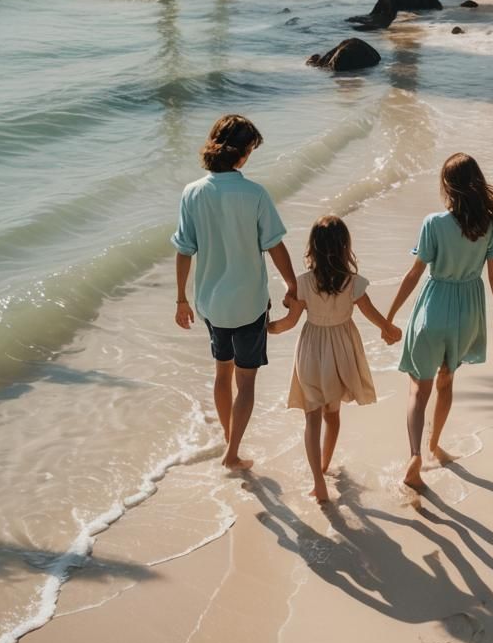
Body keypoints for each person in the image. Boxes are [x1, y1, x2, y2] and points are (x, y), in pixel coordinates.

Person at [172, 114, 297, 471]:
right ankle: (232, 453)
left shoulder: (192, 193)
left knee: (221, 374)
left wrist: (181, 298)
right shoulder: (254, 194)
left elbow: (184, 250)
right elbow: (275, 246)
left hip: (212, 305)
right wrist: (292, 285)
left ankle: (230, 439)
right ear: (242, 154)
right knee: (246, 380)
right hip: (249, 304)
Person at [386, 153, 493, 492]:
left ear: (447, 186)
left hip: (434, 308)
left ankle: (414, 454)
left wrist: (390, 314)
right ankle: (434, 445)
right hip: (467, 314)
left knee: (418, 387)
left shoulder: (434, 223)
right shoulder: (489, 225)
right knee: (446, 382)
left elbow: (414, 274)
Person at [267, 215, 401, 503]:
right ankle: (325, 464)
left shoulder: (303, 284)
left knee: (311, 417)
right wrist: (388, 328)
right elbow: (370, 312)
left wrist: (264, 327)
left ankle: (318, 480)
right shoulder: (352, 283)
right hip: (342, 349)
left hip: (312, 350)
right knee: (333, 413)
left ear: (312, 248)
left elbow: (288, 324)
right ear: (344, 248)